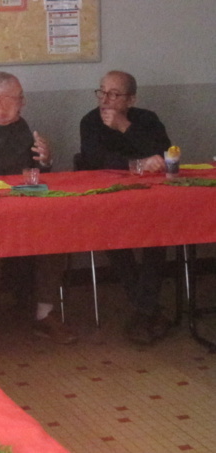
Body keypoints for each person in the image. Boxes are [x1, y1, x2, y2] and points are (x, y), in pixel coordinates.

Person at [0, 71, 77, 344]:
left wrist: (45, 160)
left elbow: (35, 174)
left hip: (25, 211)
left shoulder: (20, 126)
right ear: (0, 101)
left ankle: (44, 313)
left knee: (55, 234)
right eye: (19, 97)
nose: (23, 103)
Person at [79, 70, 172, 344]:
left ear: (131, 100)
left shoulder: (147, 119)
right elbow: (95, 160)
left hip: (150, 199)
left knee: (159, 234)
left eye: (114, 94)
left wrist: (125, 127)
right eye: (102, 92)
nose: (105, 99)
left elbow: (164, 154)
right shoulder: (90, 121)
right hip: (109, 199)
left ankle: (145, 309)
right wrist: (138, 165)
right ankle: (148, 309)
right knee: (111, 234)